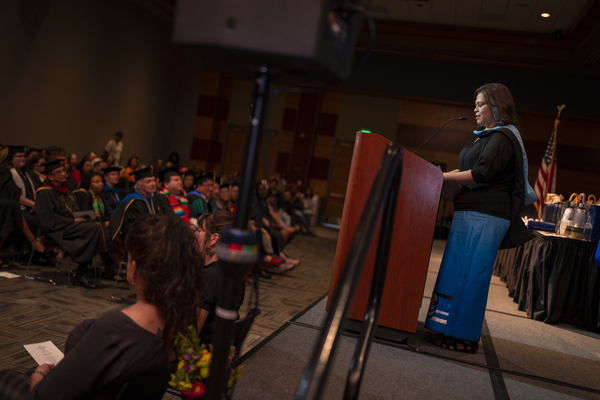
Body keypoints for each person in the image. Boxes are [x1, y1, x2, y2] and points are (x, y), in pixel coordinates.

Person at [0, 214, 204, 400]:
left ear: (134, 269)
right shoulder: (184, 320)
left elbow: (43, 397)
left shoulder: (115, 331)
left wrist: (40, 374)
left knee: (6, 377)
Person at [425, 83, 535, 353]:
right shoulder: (483, 137)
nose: (474, 109)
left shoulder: (503, 138)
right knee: (455, 273)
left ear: (497, 106)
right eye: (474, 104)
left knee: (470, 275)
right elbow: (465, 168)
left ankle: (463, 335)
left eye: (480, 104)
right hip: (469, 214)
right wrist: (432, 174)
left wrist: (440, 176)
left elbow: (480, 174)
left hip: (486, 216)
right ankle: (444, 325)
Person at [35, 160, 112, 289]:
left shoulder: (67, 191)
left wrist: (81, 217)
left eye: (63, 170)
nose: (63, 174)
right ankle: (88, 271)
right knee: (95, 228)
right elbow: (47, 219)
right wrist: (72, 221)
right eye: (58, 172)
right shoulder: (45, 193)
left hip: (71, 226)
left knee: (96, 225)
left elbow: (74, 212)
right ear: (50, 177)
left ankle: (82, 273)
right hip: (56, 229)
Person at [194, 211, 245, 343]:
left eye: (199, 230)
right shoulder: (234, 273)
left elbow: (192, 333)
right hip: (221, 352)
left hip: (203, 355)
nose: (195, 234)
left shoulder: (208, 278)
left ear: (213, 238)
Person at [110, 167, 175, 243]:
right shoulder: (133, 202)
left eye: (153, 180)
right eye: (148, 182)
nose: (153, 184)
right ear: (138, 185)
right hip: (139, 241)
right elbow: (132, 228)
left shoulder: (156, 199)